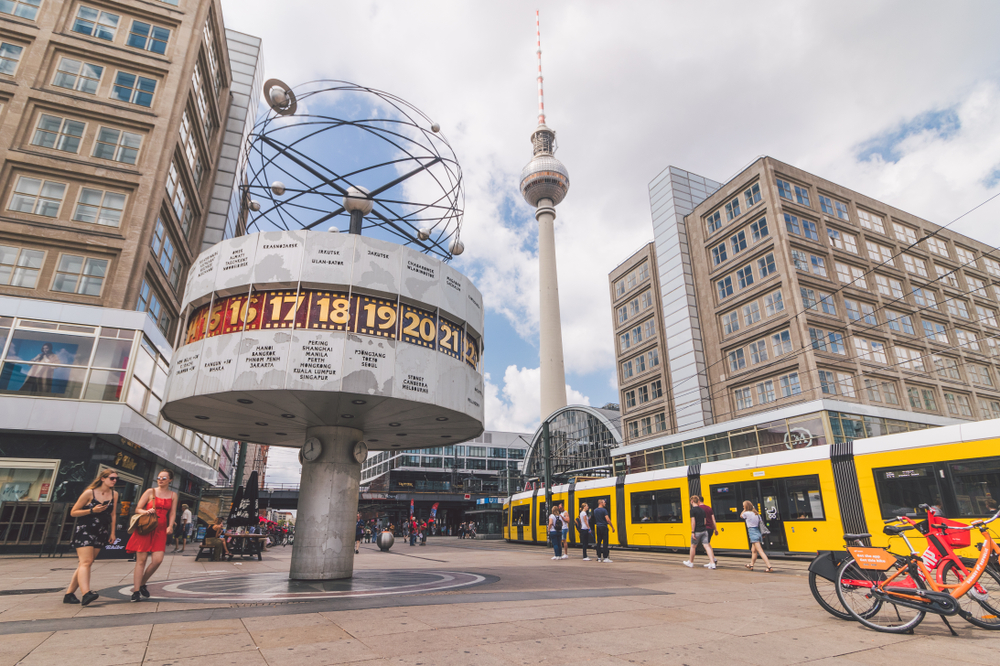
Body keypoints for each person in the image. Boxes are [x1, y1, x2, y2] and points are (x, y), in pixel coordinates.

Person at [63, 469, 118, 606]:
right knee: (86, 562)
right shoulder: (89, 493)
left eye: (116, 478)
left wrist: (112, 533)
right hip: (85, 530)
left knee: (86, 563)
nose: (114, 481)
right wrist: (92, 510)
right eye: (112, 478)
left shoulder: (115, 494)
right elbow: (73, 512)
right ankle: (86, 593)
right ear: (103, 479)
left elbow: (113, 515)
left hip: (101, 531)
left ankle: (69, 594)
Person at [126, 469, 177, 602]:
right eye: (159, 477)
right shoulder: (150, 491)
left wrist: (170, 526)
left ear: (170, 480)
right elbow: (137, 508)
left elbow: (172, 513)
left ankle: (142, 583)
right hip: (146, 528)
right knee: (141, 561)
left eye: (164, 478)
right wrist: (145, 511)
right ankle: (136, 591)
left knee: (157, 560)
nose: (160, 480)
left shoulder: (173, 495)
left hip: (160, 530)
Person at [684, 494, 716, 569]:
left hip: (697, 531)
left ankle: (691, 562)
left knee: (693, 546)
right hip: (704, 530)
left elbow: (693, 521)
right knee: (707, 546)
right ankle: (712, 563)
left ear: (692, 501)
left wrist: (693, 532)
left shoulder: (692, 510)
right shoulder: (702, 510)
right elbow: (705, 521)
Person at [741, 500, 773, 572]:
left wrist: (744, 510)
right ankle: (751, 565)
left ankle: (769, 567)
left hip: (753, 533)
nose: (743, 507)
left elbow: (741, 515)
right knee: (753, 550)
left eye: (743, 506)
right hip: (758, 532)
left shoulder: (747, 513)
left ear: (746, 507)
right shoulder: (756, 514)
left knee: (760, 551)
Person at [698, 496, 719, 569]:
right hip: (711, 528)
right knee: (708, 544)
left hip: (704, 529)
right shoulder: (709, 508)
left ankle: (712, 562)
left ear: (698, 501)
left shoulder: (699, 509)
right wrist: (715, 529)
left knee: (706, 545)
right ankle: (713, 559)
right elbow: (713, 519)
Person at [593, 498, 615, 562]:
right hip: (604, 527)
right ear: (601, 503)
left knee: (599, 542)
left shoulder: (595, 510)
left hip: (598, 527)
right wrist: (612, 527)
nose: (605, 503)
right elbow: (607, 519)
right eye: (604, 502)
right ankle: (605, 557)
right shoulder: (604, 510)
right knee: (605, 542)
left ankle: (599, 557)